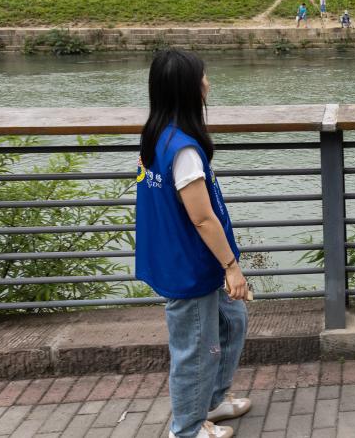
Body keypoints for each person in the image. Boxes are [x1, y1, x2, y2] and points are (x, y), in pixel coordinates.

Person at [136, 49, 251, 438]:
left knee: (232, 321)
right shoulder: (182, 149)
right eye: (203, 77)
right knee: (195, 351)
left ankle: (212, 402)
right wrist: (232, 267)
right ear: (187, 89)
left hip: (186, 258)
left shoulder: (157, 136)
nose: (208, 82)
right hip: (190, 266)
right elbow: (202, 218)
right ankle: (186, 429)